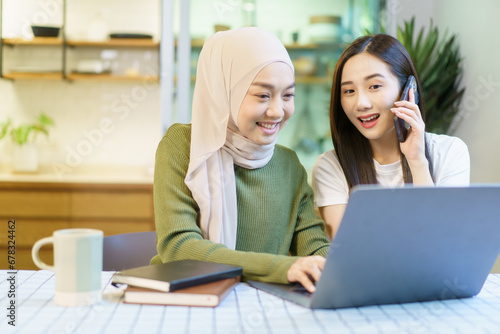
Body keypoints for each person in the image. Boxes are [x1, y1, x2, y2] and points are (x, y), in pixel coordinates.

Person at [150, 27, 330, 293]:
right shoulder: (183, 145)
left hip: (261, 304)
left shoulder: (290, 164)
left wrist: (336, 264)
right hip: (187, 299)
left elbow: (313, 246)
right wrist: (282, 268)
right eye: (262, 95)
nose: (277, 110)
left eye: (288, 95)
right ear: (226, 92)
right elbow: (179, 248)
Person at [312, 34, 470, 240]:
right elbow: (346, 254)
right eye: (349, 91)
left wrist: (417, 161)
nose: (361, 103)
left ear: (407, 90)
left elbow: (444, 241)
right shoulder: (331, 166)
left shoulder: (450, 152)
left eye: (374, 86)